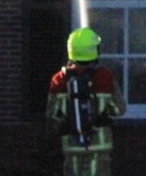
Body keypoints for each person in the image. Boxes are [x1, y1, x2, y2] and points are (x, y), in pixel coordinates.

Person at [47, 27, 126, 176]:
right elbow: (119, 109)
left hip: (71, 146)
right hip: (100, 145)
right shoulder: (105, 76)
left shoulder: (58, 79)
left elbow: (51, 114)